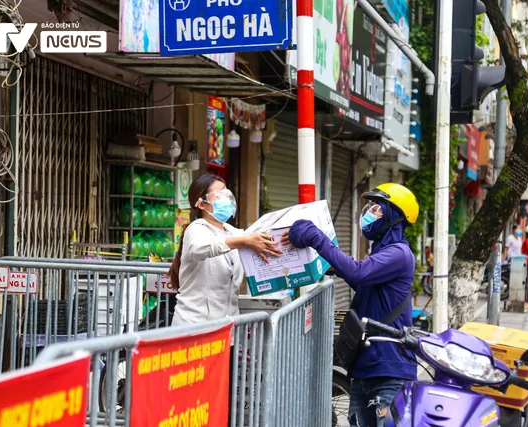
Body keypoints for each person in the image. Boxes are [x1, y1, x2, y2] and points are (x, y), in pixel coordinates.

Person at [282, 183, 419, 427]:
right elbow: (360, 280)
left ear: (394, 216)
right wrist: (326, 265)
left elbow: (357, 273)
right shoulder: (382, 252)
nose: (368, 213)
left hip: (389, 371)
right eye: (369, 207)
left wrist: (316, 238)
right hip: (365, 369)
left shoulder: (398, 253)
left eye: (376, 208)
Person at [169, 174, 282, 326]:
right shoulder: (196, 229)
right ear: (202, 204)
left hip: (227, 328)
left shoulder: (233, 232)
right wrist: (244, 241)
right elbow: (199, 248)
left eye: (228, 193)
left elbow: (263, 240)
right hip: (195, 327)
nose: (227, 199)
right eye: (220, 195)